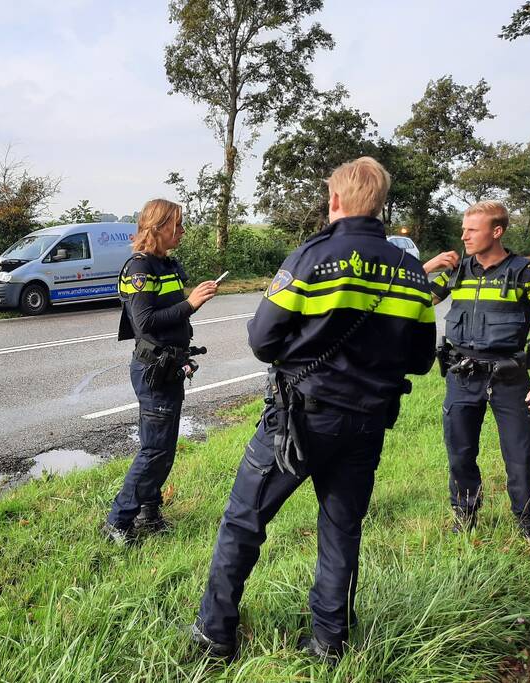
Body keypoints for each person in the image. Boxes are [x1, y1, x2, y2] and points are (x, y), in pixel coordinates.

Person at [190, 157, 436, 662]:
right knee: (342, 529)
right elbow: (420, 359)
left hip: (300, 419)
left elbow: (261, 340)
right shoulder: (411, 270)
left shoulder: (311, 257)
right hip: (368, 421)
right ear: (381, 203)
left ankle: (215, 635)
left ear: (336, 201)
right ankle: (329, 642)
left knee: (244, 521)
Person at [423, 201, 530, 546]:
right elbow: (415, 300)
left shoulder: (526, 272)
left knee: (520, 456)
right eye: (463, 229)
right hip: (461, 375)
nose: (464, 236)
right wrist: (427, 265)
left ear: (496, 232)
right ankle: (464, 518)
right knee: (459, 453)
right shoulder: (457, 270)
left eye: (472, 230)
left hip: (509, 379)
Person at [102, 198, 218, 546]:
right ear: (159, 226)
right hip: (153, 369)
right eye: (177, 225)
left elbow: (172, 313)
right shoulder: (139, 269)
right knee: (154, 450)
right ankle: (117, 522)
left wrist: (188, 306)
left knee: (162, 448)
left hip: (170, 368)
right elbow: (146, 323)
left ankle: (148, 513)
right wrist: (191, 303)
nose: (182, 232)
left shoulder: (165, 265)